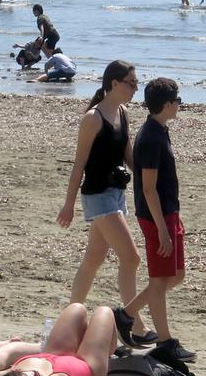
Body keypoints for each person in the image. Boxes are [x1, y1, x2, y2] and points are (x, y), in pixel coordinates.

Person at [57, 60, 154, 347]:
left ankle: (68, 318)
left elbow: (130, 157)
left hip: (115, 194)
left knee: (93, 259)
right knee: (131, 257)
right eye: (131, 83)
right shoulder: (93, 118)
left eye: (136, 84)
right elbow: (79, 164)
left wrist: (151, 182)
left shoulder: (123, 113)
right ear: (114, 84)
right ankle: (135, 325)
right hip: (97, 195)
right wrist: (69, 203)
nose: (136, 89)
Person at [118, 77, 194, 361]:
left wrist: (174, 218)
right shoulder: (150, 137)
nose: (180, 105)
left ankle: (125, 315)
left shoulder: (160, 130)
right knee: (161, 280)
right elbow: (147, 188)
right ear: (166, 105)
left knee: (176, 276)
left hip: (168, 213)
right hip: (155, 217)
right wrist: (162, 228)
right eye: (178, 101)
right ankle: (165, 342)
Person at [0, 303, 119, 376]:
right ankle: (109, 356)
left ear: (15, 374)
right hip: (89, 367)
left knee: (77, 308)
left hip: (54, 355)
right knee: (105, 312)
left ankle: (101, 346)